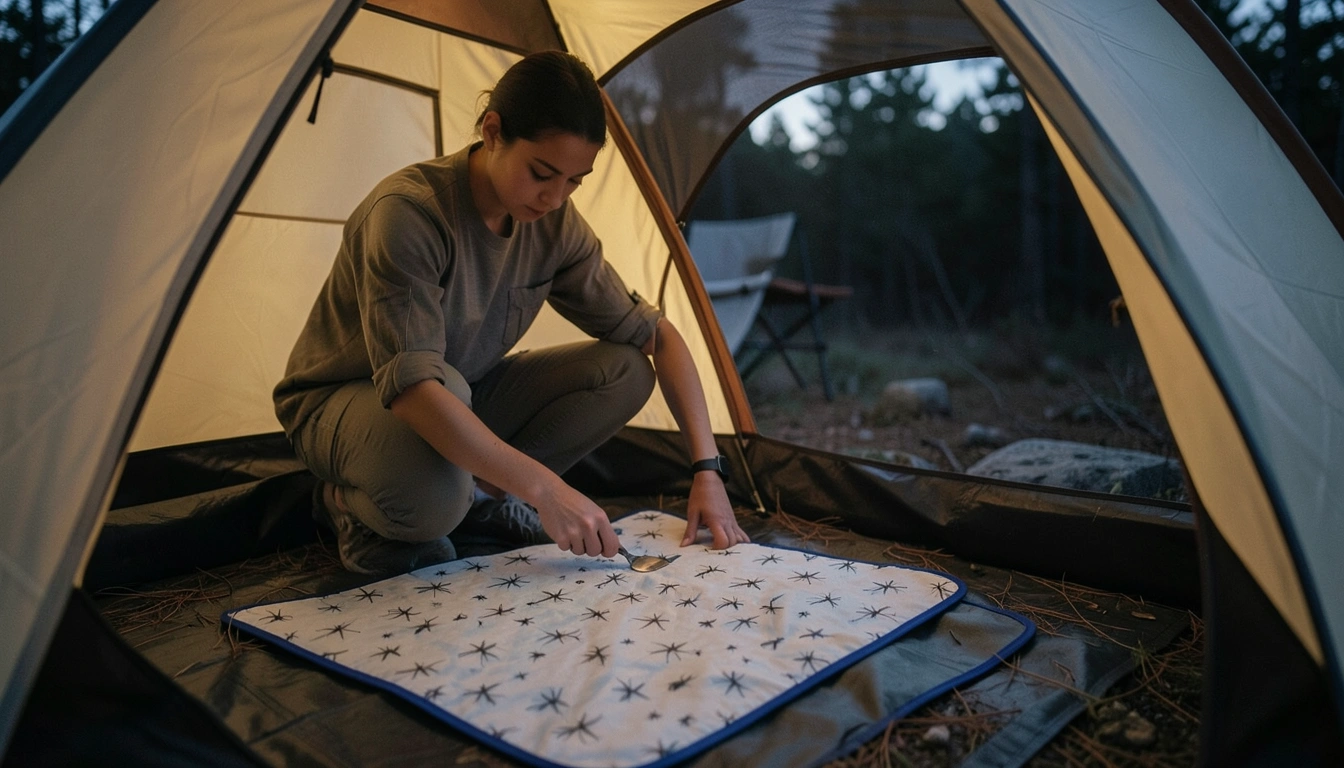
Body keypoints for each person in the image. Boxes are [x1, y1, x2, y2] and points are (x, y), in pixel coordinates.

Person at [273, 51, 749, 576]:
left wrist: (708, 472)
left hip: (459, 394)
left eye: (574, 181)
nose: (555, 197)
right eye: (542, 172)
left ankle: (476, 498)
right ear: (493, 131)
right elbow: (414, 391)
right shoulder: (409, 214)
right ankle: (348, 506)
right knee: (435, 480)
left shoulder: (554, 223)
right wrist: (546, 488)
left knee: (626, 369)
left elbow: (658, 335)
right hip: (344, 403)